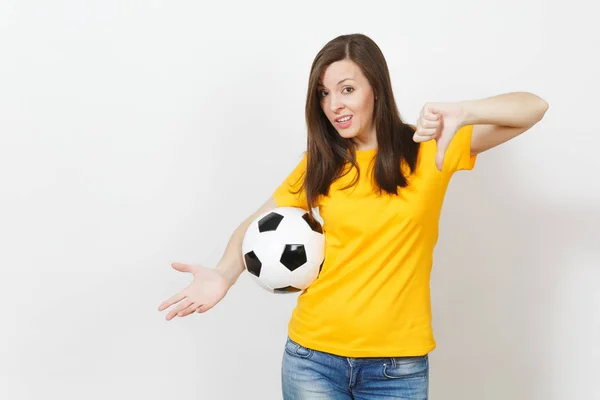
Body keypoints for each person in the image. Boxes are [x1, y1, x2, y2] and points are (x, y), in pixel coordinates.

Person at [158, 33, 548, 399]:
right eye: (324, 94)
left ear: (375, 88)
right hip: (312, 359)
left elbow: (533, 108)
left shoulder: (429, 149)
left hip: (398, 367)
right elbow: (255, 224)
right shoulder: (321, 164)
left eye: (347, 89)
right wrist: (223, 276)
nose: (334, 105)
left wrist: (465, 112)